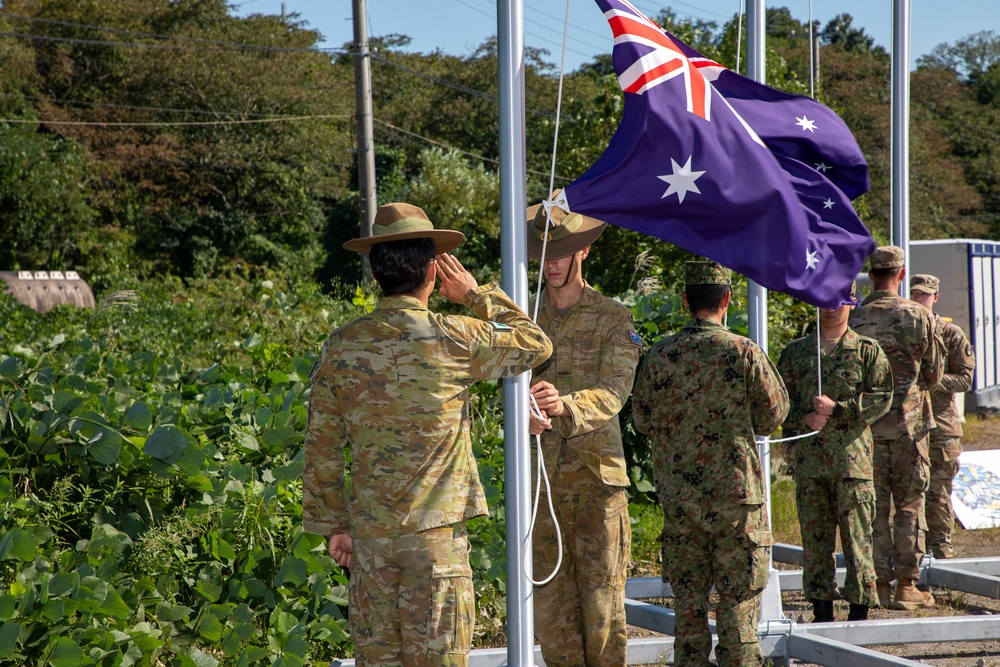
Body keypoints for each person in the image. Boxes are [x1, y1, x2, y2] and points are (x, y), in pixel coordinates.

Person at [302, 202, 552, 666]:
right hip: (436, 545)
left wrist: (334, 523)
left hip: (371, 544)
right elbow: (535, 342)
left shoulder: (342, 344)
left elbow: (322, 445)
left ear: (376, 271)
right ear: (435, 271)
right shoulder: (453, 336)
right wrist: (476, 294)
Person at [632, 260, 789, 667]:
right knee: (738, 604)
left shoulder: (658, 355)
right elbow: (774, 415)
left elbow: (642, 419)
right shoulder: (744, 352)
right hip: (736, 503)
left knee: (688, 607)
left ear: (685, 300)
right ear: (727, 300)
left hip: (680, 502)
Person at [525, 196, 642, 667]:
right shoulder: (525, 320)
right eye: (546, 252)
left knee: (602, 615)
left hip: (597, 484)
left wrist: (563, 406)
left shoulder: (614, 317)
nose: (552, 262)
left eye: (563, 250)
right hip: (541, 487)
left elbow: (615, 391)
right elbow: (499, 385)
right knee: (551, 618)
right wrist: (521, 410)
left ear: (584, 252)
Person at [777, 283, 893, 623]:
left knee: (858, 542)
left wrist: (838, 409)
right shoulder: (798, 352)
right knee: (815, 545)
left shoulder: (867, 351)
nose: (832, 309)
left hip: (851, 463)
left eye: (839, 301)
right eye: (824, 301)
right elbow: (778, 402)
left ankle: (859, 613)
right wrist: (804, 417)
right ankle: (821, 611)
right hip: (811, 465)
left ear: (852, 302)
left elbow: (882, 396)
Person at [848, 246, 943, 610]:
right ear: (901, 275)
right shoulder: (918, 315)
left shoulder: (854, 318)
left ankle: (879, 585)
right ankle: (907, 585)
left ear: (871, 275)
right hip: (910, 427)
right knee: (908, 506)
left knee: (873, 509)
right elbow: (934, 373)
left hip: (867, 430)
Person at [909, 274, 975, 559]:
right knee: (909, 492)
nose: (919, 300)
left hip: (942, 425)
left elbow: (965, 379)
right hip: (910, 424)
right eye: (914, 294)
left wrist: (933, 381)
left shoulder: (951, 334)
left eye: (924, 295)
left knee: (937, 493)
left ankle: (941, 549)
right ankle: (911, 551)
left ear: (935, 298)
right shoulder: (905, 332)